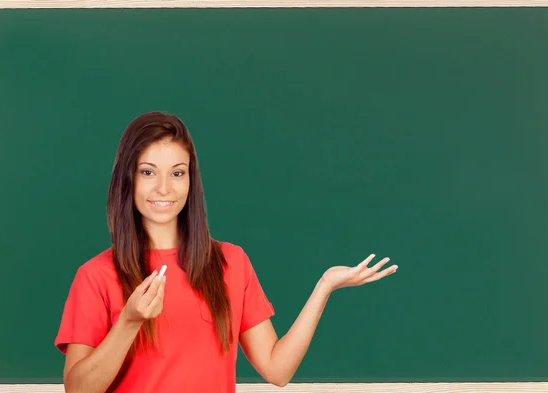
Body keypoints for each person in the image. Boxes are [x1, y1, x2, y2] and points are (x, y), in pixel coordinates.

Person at [54, 111, 398, 393]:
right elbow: (78, 389)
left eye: (177, 173)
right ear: (128, 179)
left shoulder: (230, 263)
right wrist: (129, 321)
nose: (164, 188)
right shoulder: (97, 275)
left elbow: (278, 370)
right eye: (148, 172)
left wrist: (324, 286)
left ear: (191, 181)